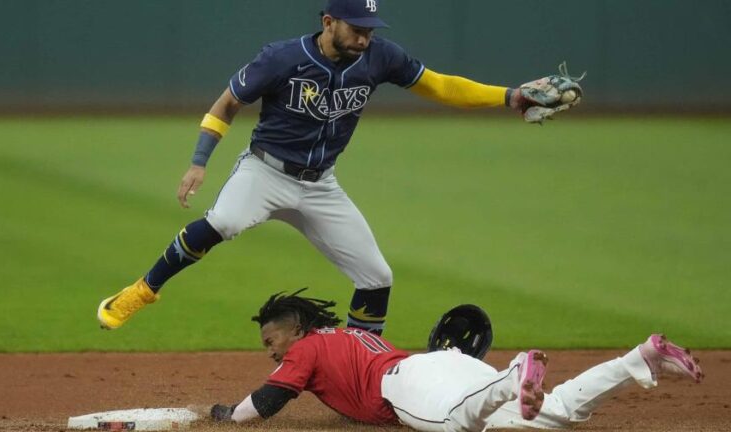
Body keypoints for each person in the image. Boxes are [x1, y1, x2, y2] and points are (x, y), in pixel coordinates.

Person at [96, 0, 571, 334]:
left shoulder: (380, 56)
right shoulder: (280, 58)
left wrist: (508, 96)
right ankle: (142, 289)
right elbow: (225, 105)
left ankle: (362, 363)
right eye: (356, 28)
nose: (365, 37)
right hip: (265, 173)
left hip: (321, 186)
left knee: (376, 276)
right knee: (223, 221)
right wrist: (199, 163)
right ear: (328, 22)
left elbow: (441, 87)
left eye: (370, 29)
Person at [204, 290, 703, 431]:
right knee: (554, 416)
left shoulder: (308, 347)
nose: (270, 349)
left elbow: (268, 400)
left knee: (453, 424)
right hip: (447, 366)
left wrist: (229, 414)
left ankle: (514, 376)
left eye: (272, 339)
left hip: (410, 384)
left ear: (295, 329)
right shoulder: (345, 337)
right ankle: (639, 359)